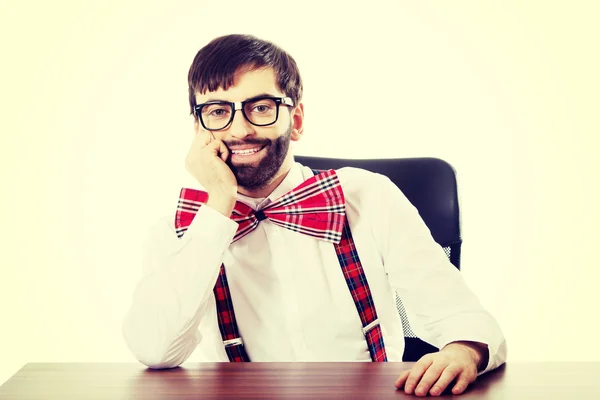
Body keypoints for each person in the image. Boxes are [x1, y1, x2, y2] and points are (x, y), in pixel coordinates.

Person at [122, 34, 507, 397]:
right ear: (199, 129)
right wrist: (218, 204)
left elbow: (464, 317)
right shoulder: (181, 230)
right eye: (218, 111)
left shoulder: (369, 197)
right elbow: (155, 349)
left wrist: (462, 351)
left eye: (260, 107)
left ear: (297, 119)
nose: (239, 130)